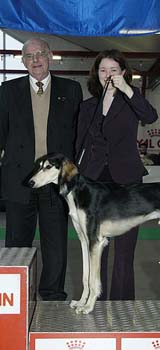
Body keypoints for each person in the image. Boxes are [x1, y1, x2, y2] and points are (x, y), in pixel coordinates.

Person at [0, 37, 83, 301]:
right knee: (16, 246)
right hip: (19, 181)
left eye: (40, 54)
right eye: (29, 56)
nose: (35, 60)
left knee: (56, 246)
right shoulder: (7, 90)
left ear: (50, 56)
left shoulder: (71, 89)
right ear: (23, 62)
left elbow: (77, 136)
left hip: (55, 183)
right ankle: (18, 299)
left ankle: (52, 296)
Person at [75, 49, 158, 300]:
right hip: (94, 182)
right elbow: (78, 144)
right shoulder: (88, 106)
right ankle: (95, 300)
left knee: (125, 249)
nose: (108, 74)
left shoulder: (131, 102)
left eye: (113, 70)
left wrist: (128, 90)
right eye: (103, 70)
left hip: (127, 181)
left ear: (123, 72)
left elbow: (151, 116)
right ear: (96, 74)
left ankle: (122, 303)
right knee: (95, 246)